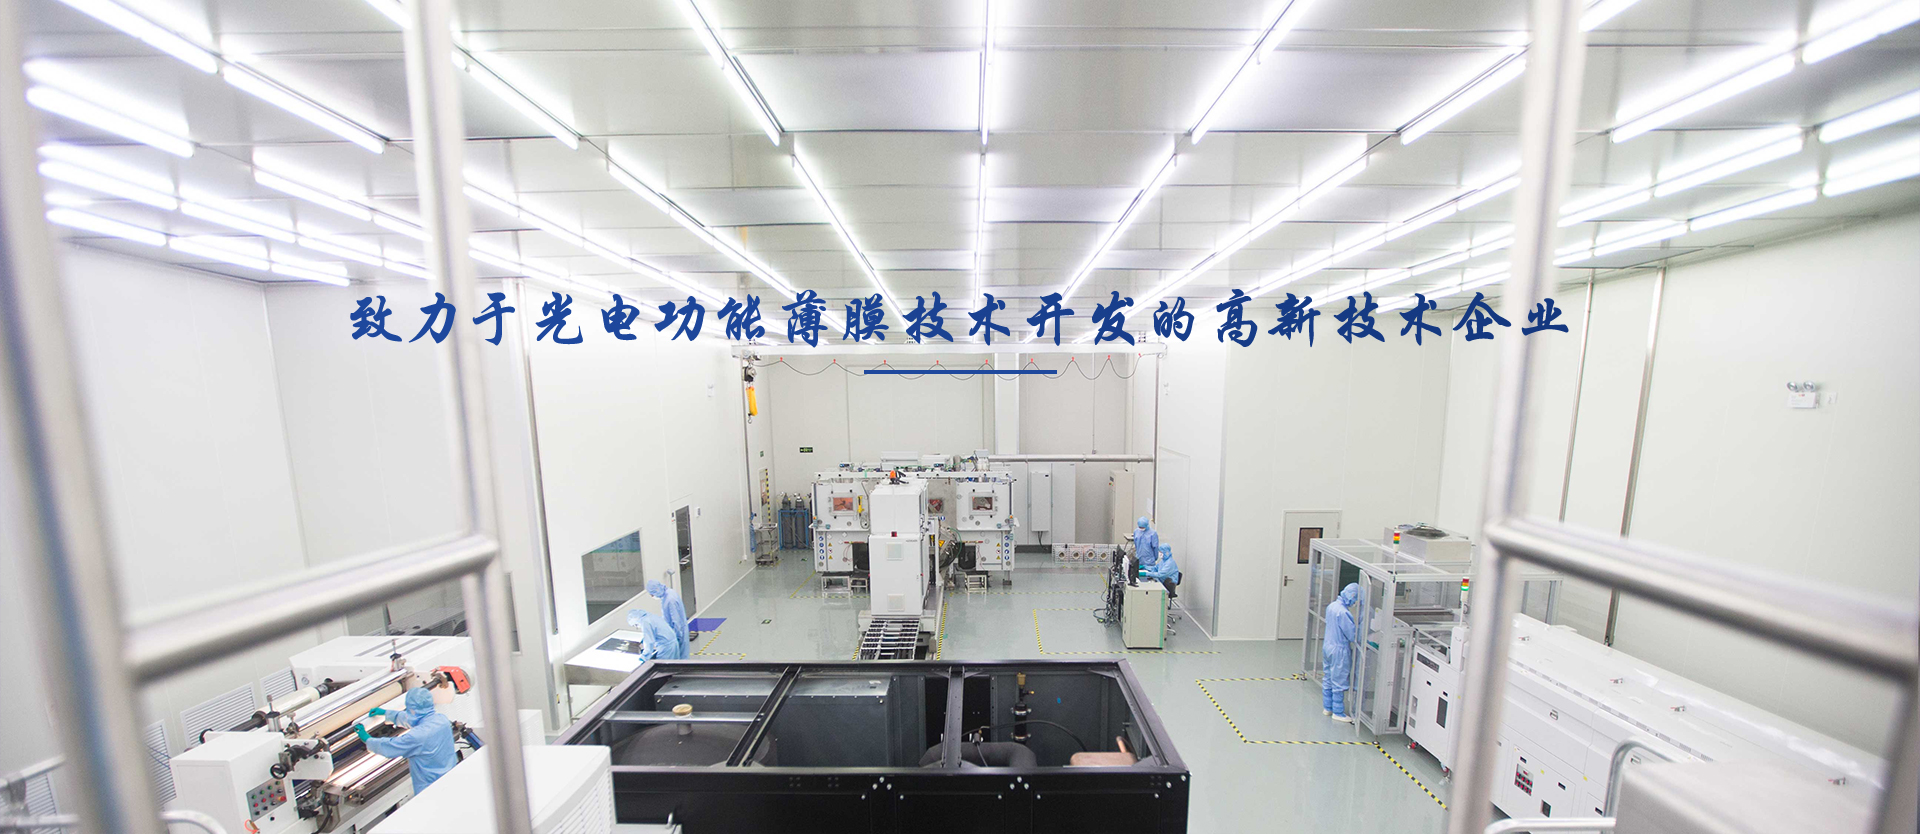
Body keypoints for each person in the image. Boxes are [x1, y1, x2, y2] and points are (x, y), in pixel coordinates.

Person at [355, 687, 458, 793]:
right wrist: (387, 713)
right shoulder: (441, 719)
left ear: (412, 709)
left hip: (430, 789)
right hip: (449, 778)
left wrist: (367, 739)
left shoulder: (416, 737)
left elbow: (391, 747)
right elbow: (415, 719)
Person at [1322, 582, 1361, 723]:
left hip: (1328, 646)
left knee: (1328, 677)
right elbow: (1351, 635)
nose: (1355, 602)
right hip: (1339, 650)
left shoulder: (1332, 606)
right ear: (1352, 595)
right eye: (1355, 598)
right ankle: (1338, 712)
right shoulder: (1344, 613)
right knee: (1338, 680)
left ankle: (1327, 707)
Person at [648, 579, 691, 658]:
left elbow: (676, 621)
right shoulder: (668, 594)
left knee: (681, 658)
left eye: (652, 594)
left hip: (678, 633)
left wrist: (677, 637)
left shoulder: (670, 599)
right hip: (676, 631)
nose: (652, 596)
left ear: (656, 590)